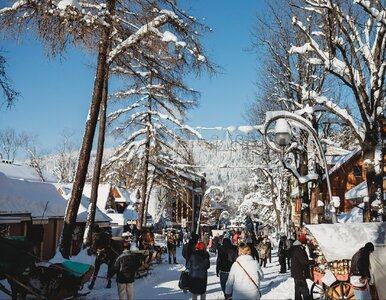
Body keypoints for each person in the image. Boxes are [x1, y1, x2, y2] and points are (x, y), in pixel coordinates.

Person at [290, 235, 314, 300]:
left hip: (297, 273)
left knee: (298, 290)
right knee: (304, 290)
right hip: (299, 273)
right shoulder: (298, 250)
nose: (305, 245)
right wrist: (313, 261)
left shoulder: (297, 248)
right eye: (304, 244)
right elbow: (304, 261)